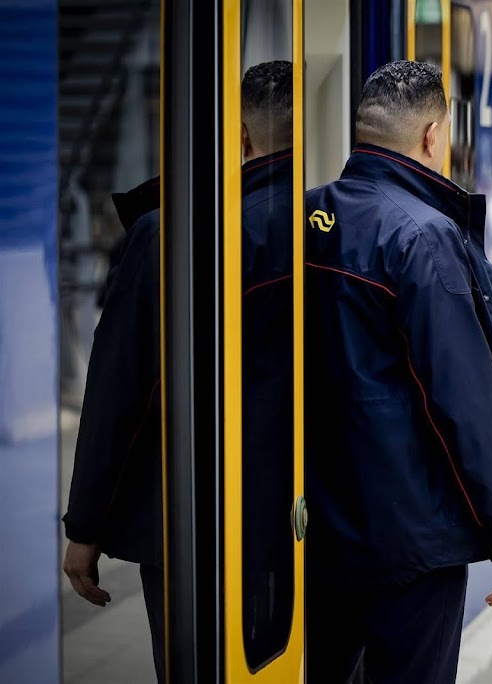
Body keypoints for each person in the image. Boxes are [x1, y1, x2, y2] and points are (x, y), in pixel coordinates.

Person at [303, 61, 492, 684]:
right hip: (411, 540)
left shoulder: (303, 221)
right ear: (432, 136)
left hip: (317, 529)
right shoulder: (424, 235)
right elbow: (465, 398)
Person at [61, 61, 296, 683]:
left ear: (240, 137)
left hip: (198, 516)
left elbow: (120, 392)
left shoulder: (170, 234)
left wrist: (85, 525)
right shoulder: (340, 227)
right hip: (313, 516)